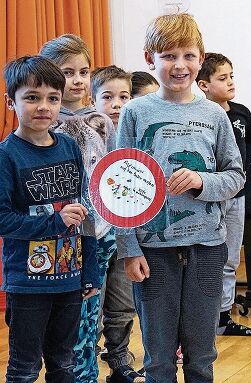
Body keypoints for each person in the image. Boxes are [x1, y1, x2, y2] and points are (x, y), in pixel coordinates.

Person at [115, 13, 244, 383]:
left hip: (206, 246)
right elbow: (118, 185)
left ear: (200, 59)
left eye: (188, 55)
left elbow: (235, 177)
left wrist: (201, 181)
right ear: (149, 59)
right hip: (151, 250)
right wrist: (129, 248)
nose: (179, 65)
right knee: (158, 357)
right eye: (169, 56)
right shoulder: (136, 113)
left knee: (201, 355)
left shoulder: (214, 115)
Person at [1, 55, 100, 383]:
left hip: (70, 280)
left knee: (64, 364)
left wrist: (90, 271)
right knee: (25, 367)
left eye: (52, 99)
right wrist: (56, 222)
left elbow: (85, 212)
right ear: (10, 101)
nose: (43, 106)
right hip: (27, 285)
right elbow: (4, 220)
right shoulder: (6, 156)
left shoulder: (70, 147)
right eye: (32, 97)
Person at [40, 33, 118, 382]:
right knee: (57, 320)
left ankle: (85, 376)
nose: (77, 80)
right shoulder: (43, 122)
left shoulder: (102, 123)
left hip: (97, 235)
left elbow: (116, 172)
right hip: (54, 235)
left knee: (89, 316)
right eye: (67, 72)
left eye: (83, 72)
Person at [197, 52, 251, 337]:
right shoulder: (201, 116)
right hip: (207, 196)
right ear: (203, 85)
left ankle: (223, 317)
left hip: (237, 196)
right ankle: (202, 321)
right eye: (222, 78)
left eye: (231, 76)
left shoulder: (241, 113)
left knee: (230, 258)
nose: (230, 82)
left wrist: (239, 174)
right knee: (207, 258)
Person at [90, 65, 145, 383]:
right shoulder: (85, 140)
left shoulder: (134, 140)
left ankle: (121, 363)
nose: (117, 104)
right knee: (93, 307)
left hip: (126, 238)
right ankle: (86, 363)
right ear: (93, 99)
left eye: (124, 96)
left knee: (123, 306)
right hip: (93, 236)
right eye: (108, 96)